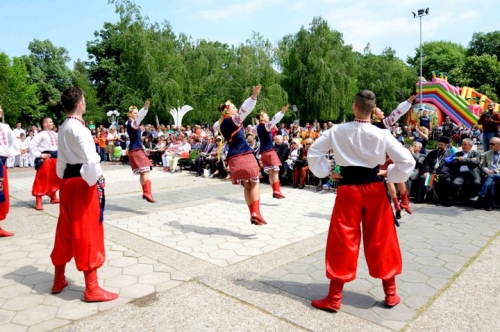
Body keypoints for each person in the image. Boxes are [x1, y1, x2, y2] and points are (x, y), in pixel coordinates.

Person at [307, 90, 415, 312]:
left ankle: (335, 297)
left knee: (343, 239)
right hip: (375, 189)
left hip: (348, 190)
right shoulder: (382, 134)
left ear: (354, 106)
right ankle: (391, 294)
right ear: (373, 110)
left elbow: (313, 152)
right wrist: (390, 173)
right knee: (383, 238)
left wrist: (327, 171)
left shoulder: (336, 131)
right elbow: (407, 161)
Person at [50, 86, 118, 302]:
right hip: (81, 182)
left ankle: (58, 279)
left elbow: (60, 160)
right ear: (80, 103)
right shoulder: (80, 129)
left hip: (67, 182)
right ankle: (92, 288)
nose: (86, 102)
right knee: (87, 231)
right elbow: (91, 160)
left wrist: (63, 177)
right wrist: (94, 179)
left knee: (65, 229)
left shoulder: (62, 127)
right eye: (85, 99)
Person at [213, 84, 267, 225]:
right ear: (228, 110)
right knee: (255, 182)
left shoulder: (221, 124)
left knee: (246, 185)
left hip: (233, 158)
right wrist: (254, 96)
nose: (236, 108)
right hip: (244, 154)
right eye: (233, 107)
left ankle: (252, 213)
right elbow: (245, 109)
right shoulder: (234, 120)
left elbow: (217, 126)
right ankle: (256, 212)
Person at [256, 105, 289, 199]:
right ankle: (277, 190)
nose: (268, 117)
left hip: (263, 152)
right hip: (269, 150)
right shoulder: (265, 126)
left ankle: (275, 190)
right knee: (275, 171)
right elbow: (274, 120)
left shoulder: (259, 127)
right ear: (262, 118)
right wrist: (282, 112)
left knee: (271, 172)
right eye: (266, 116)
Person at [126, 102, 155, 203]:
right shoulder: (132, 123)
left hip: (135, 149)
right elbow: (139, 119)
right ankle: (147, 192)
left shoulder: (130, 124)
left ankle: (145, 192)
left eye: (137, 112)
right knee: (146, 171)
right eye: (135, 113)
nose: (136, 114)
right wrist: (145, 109)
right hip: (137, 150)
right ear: (130, 114)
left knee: (143, 172)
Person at [31, 117, 60, 210]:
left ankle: (53, 196)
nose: (52, 123)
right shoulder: (40, 135)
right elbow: (32, 145)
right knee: (42, 179)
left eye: (52, 121)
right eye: (50, 122)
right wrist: (39, 155)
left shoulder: (56, 134)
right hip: (46, 159)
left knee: (55, 178)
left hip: (56, 158)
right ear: (44, 124)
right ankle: (38, 199)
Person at [470, 137, 500, 211]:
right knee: (491, 183)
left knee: (490, 177)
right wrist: (487, 170)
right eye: (490, 143)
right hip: (490, 175)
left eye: (492, 144)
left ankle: (480, 195)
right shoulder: (487, 153)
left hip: (498, 174)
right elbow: (482, 166)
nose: (490, 145)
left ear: (499, 145)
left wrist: (494, 171)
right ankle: (491, 204)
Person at [0, 106, 15, 237]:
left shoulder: (5, 127)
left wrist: (9, 152)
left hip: (1, 163)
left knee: (1, 193)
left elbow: (12, 141)